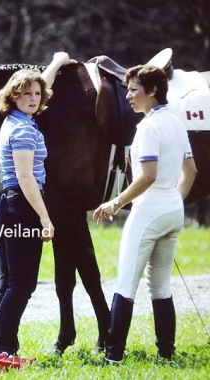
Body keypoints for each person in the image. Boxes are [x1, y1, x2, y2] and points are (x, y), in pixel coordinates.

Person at [93, 64, 197, 364]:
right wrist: (172, 203)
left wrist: (115, 202)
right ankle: (166, 354)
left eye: (134, 90)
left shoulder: (149, 127)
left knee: (126, 283)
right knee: (161, 286)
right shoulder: (176, 123)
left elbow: (148, 176)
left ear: (152, 91)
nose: (128, 96)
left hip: (149, 210)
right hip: (172, 210)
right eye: (127, 90)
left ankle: (113, 357)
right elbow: (190, 171)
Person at [0, 53, 73, 358]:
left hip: (6, 207)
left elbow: (41, 86)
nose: (34, 98)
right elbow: (25, 177)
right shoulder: (24, 130)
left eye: (37, 94)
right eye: (26, 93)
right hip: (21, 208)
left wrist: (57, 62)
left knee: (8, 282)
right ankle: (1, 350)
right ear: (14, 95)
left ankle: (1, 348)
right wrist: (45, 217)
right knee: (22, 285)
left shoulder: (15, 121)